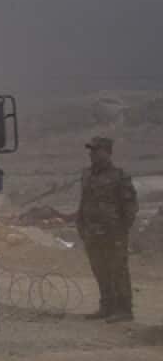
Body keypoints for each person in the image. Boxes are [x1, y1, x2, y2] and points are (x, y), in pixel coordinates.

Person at [76, 137, 138, 323]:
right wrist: (81, 224)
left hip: (113, 232)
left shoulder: (120, 176)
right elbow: (84, 201)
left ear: (107, 152)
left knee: (118, 269)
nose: (92, 154)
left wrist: (121, 229)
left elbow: (130, 206)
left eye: (96, 150)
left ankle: (124, 309)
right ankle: (107, 306)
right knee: (99, 269)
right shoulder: (87, 175)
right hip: (92, 232)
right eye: (91, 151)